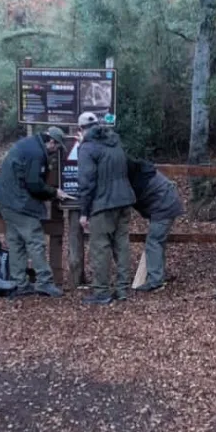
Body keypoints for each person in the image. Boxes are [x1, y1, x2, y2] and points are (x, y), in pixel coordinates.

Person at [0, 127, 72, 297]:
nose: (56, 151)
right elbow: (34, 184)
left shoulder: (29, 144)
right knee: (35, 240)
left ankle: (19, 282)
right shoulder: (37, 154)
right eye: (56, 147)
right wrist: (54, 192)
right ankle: (44, 281)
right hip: (17, 201)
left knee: (16, 241)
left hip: (5, 199)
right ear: (51, 142)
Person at [76, 112, 135, 305]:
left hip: (103, 204)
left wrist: (84, 212)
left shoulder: (87, 148)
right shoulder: (114, 142)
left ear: (81, 129)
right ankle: (122, 289)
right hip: (124, 200)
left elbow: (86, 182)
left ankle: (101, 291)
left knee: (100, 248)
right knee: (122, 245)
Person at [127, 158, 184, 292]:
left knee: (154, 241)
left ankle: (155, 281)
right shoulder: (143, 173)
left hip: (164, 207)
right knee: (158, 241)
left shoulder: (137, 182)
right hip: (167, 203)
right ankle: (158, 275)